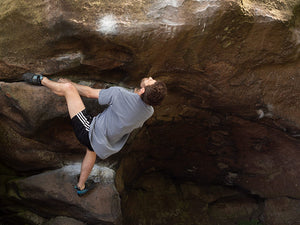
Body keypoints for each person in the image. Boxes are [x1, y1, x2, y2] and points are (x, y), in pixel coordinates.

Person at [22, 73, 167, 196]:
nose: (150, 77)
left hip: (88, 130)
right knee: (91, 150)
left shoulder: (120, 94)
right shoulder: (149, 112)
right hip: (103, 143)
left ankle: (41, 80)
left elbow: (88, 93)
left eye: (150, 81)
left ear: (142, 91)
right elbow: (135, 105)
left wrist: (71, 83)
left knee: (67, 89)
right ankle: (81, 186)